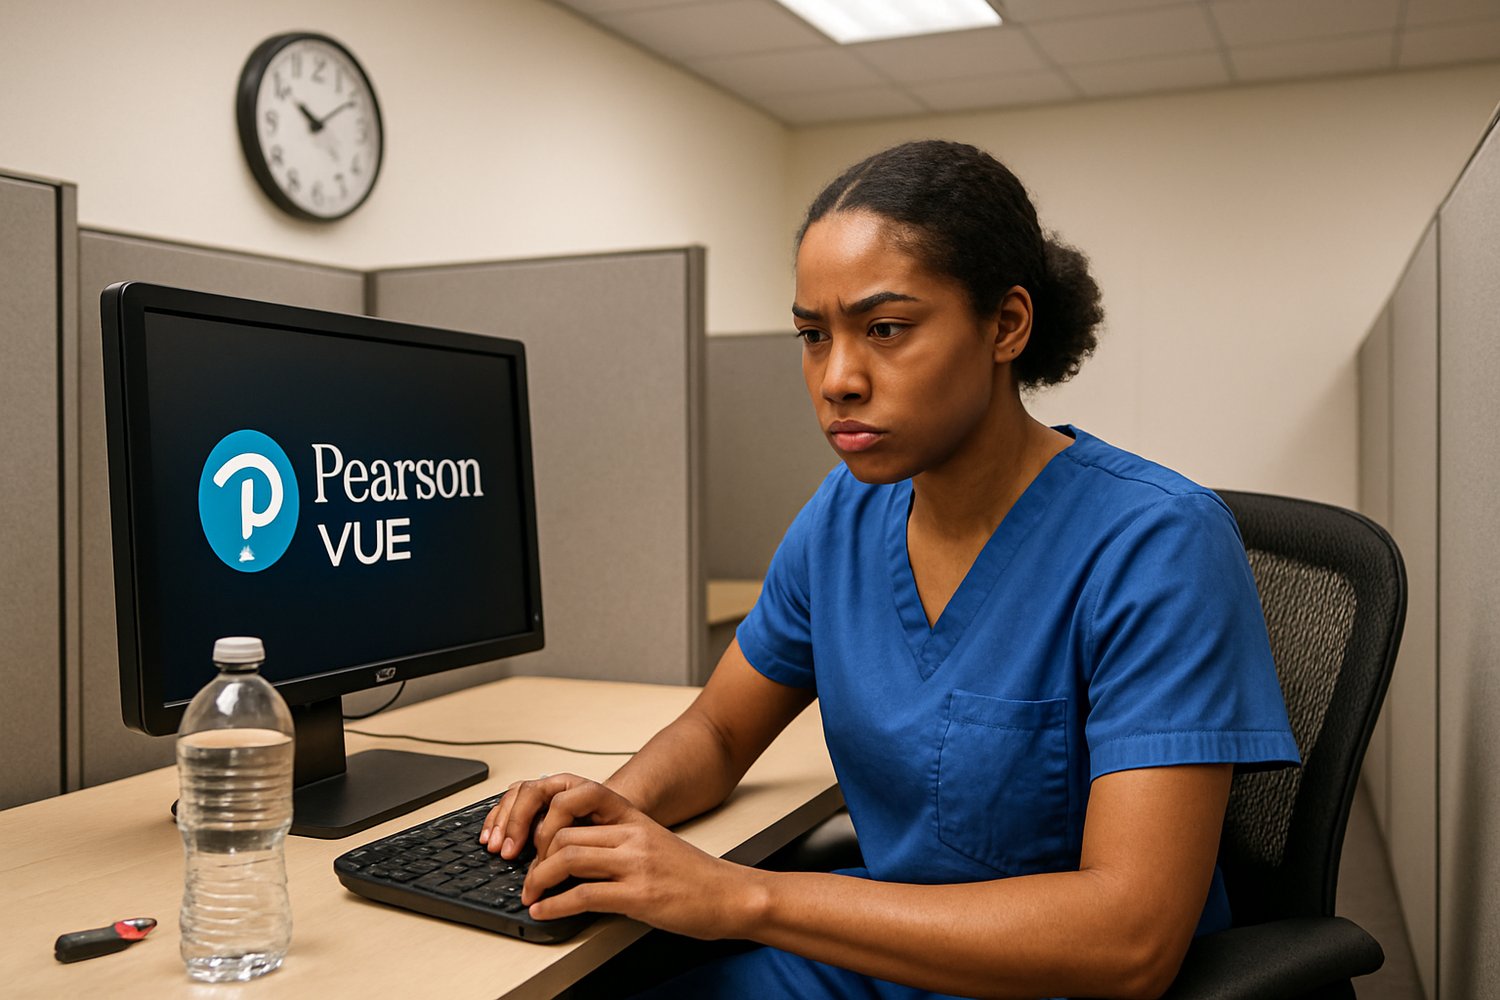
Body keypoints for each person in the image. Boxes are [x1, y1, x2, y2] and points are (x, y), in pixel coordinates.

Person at [479, 139, 1300, 999]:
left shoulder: (1155, 543)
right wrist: (608, 811)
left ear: (1006, 326)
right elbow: (719, 735)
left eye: (885, 329)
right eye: (812, 335)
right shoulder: (844, 515)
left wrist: (742, 896)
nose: (837, 379)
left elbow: (1130, 940)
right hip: (873, 955)